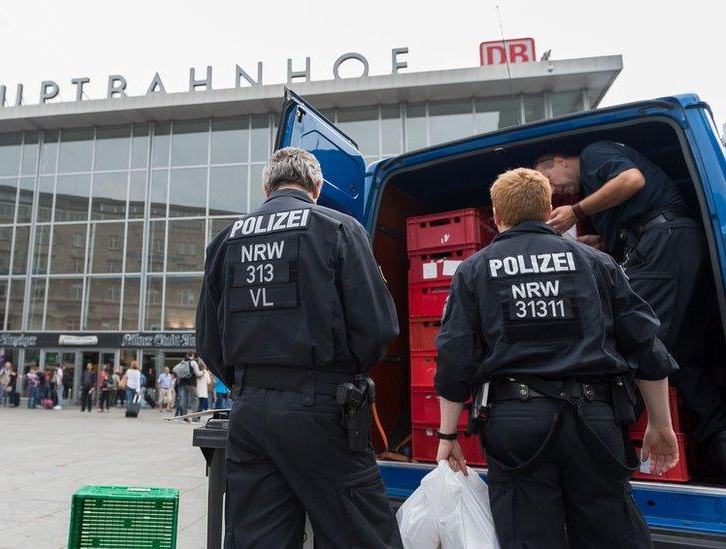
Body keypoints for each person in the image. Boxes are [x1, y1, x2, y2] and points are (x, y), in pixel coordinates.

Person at [435, 168, 680, 547]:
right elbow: (645, 344)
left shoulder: (474, 270)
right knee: (611, 534)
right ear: (548, 209)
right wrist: (660, 425)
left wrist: (447, 435)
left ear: (497, 217)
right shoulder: (597, 263)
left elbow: (454, 357)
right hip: (595, 419)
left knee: (528, 536)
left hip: (516, 424)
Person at [197, 147, 400, 548]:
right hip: (323, 409)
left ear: (265, 187)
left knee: (258, 538)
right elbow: (378, 327)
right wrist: (340, 376)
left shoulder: (224, 241)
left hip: (250, 411)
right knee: (359, 532)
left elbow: (207, 339)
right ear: (317, 188)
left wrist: (249, 382)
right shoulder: (338, 228)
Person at [536, 143, 726, 478]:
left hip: (665, 243)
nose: (553, 191)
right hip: (672, 246)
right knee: (683, 356)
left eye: (547, 179)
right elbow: (631, 219)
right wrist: (601, 243)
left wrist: (576, 212)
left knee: (632, 336)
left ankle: (604, 447)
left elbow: (632, 180)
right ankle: (718, 442)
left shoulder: (595, 155)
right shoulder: (598, 197)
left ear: (560, 161)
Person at [175, 352, 200, 421]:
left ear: (186, 355)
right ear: (193, 355)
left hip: (183, 384)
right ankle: (194, 417)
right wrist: (202, 373)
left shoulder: (182, 362)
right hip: (191, 383)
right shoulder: (193, 362)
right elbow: (197, 373)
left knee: (184, 400)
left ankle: (184, 416)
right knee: (195, 399)